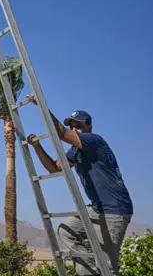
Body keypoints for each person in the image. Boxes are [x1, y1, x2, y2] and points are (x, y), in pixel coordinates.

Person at [24, 94, 133, 276]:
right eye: (72, 125)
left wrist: (41, 105)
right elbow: (54, 169)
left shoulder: (94, 140)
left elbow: (62, 134)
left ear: (89, 126)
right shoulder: (75, 150)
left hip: (115, 210)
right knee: (67, 231)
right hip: (97, 209)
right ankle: (88, 272)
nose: (75, 128)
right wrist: (37, 146)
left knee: (107, 267)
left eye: (79, 125)